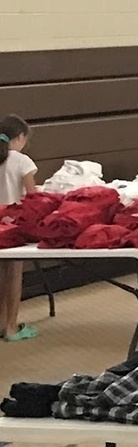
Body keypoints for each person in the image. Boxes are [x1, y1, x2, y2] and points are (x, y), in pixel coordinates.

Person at [0, 115, 38, 342]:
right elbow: (33, 198)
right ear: (21, 136)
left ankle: (1, 322)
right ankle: (12, 327)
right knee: (13, 275)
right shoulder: (22, 161)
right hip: (12, 226)